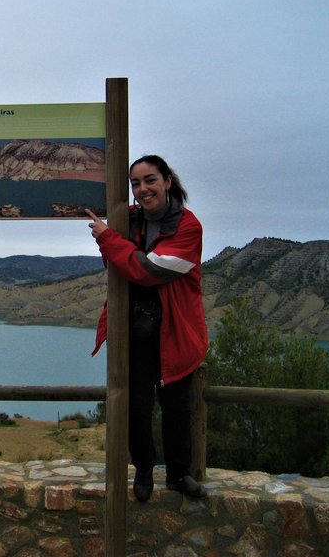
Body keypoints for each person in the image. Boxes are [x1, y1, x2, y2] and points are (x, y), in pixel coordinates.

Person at [85, 154, 208, 501]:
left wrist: (110, 239)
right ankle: (143, 469)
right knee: (136, 404)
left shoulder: (188, 226)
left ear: (168, 181)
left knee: (176, 406)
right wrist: (111, 239)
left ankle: (179, 474)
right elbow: (118, 263)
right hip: (134, 329)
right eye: (135, 183)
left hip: (175, 330)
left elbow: (149, 270)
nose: (142, 189)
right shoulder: (131, 221)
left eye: (150, 180)